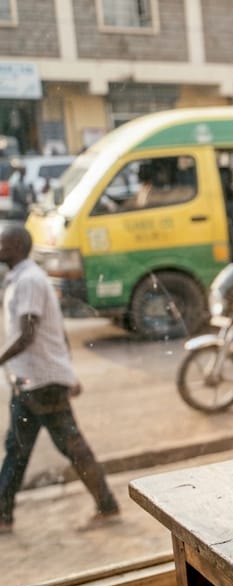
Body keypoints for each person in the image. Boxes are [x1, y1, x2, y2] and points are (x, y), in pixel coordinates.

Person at [0, 224, 121, 534]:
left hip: (41, 385)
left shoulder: (27, 281)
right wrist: (68, 372)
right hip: (36, 381)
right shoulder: (24, 278)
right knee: (20, 449)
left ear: (15, 247)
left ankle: (107, 506)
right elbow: (57, 333)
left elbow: (28, 334)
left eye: (2, 243)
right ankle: (4, 515)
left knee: (67, 446)